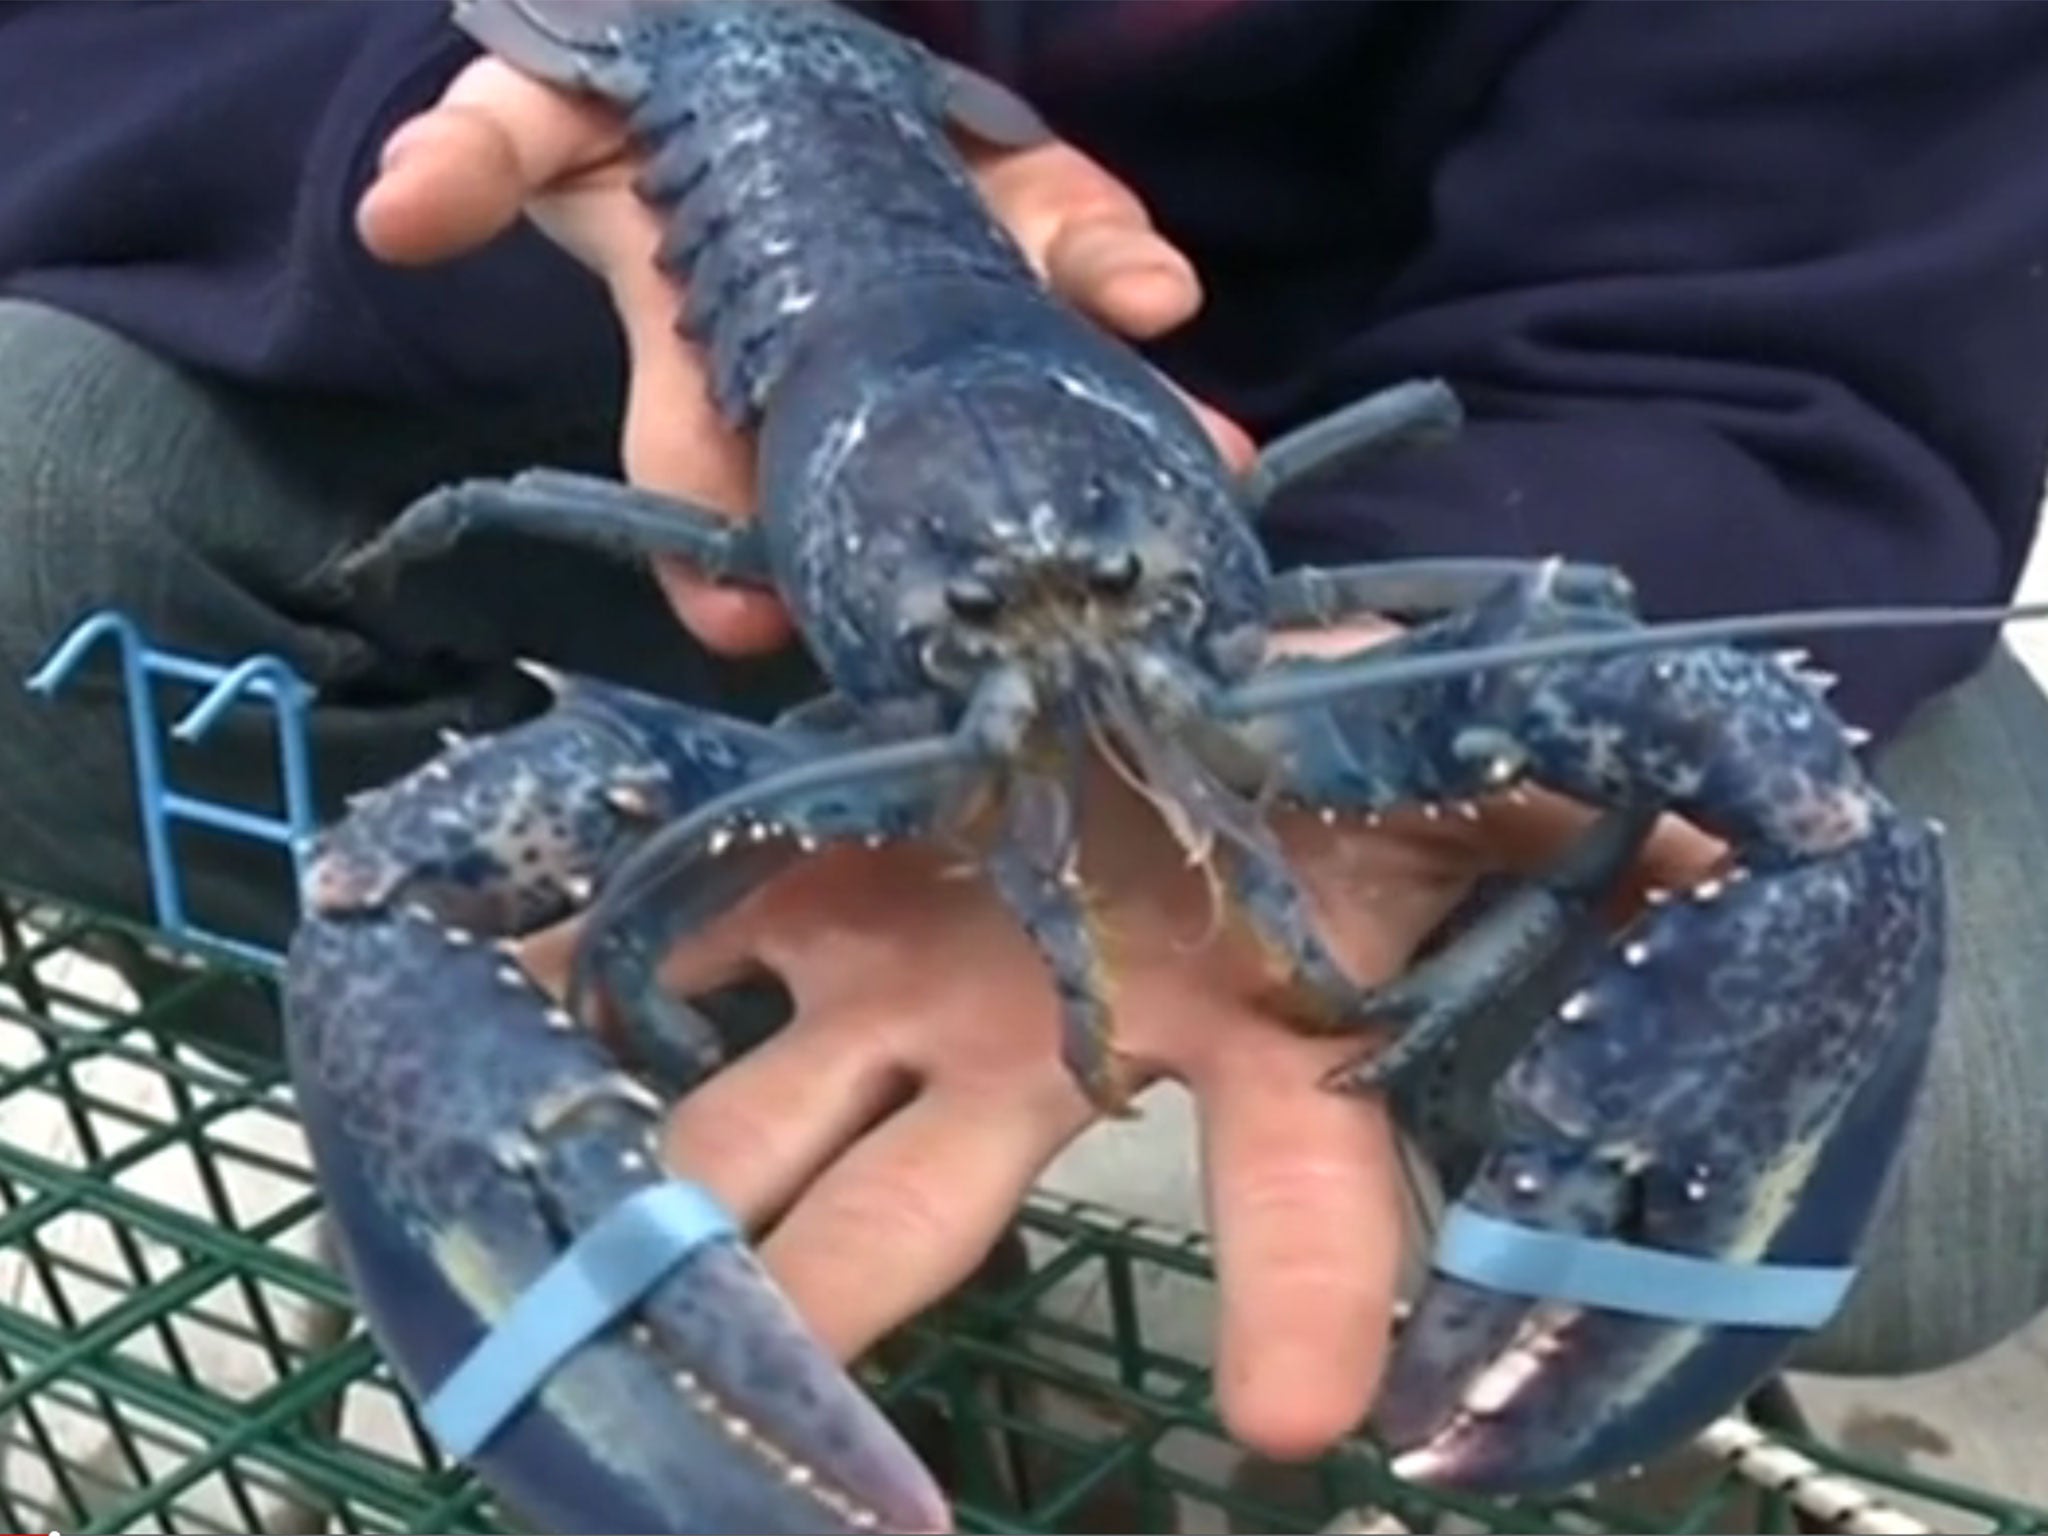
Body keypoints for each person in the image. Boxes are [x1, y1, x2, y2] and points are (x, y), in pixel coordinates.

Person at [3, 0, 2048, 1473]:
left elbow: (1789, 346)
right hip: (561, 315)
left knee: (1949, 1098)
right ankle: (665, 1168)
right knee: (118, 584)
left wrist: (1405, 585)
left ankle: (1517, 1329)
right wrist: (464, 93)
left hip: (1466, 428)